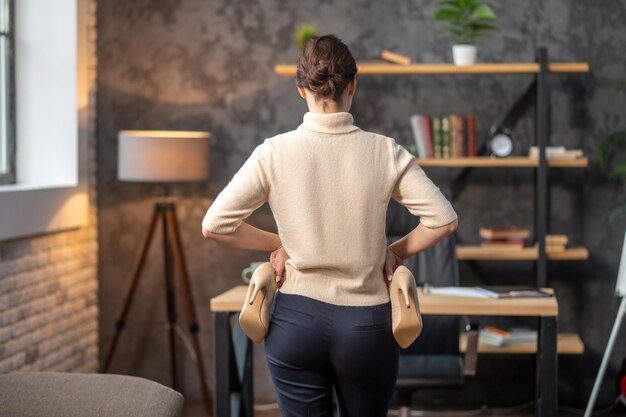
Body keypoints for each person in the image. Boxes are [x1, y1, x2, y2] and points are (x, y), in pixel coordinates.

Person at [201, 34, 458, 417]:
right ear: (353, 85)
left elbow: (215, 224)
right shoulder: (385, 151)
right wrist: (393, 252)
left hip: (294, 326)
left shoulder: (273, 152)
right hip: (366, 327)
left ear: (301, 89)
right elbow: (444, 220)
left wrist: (285, 242)